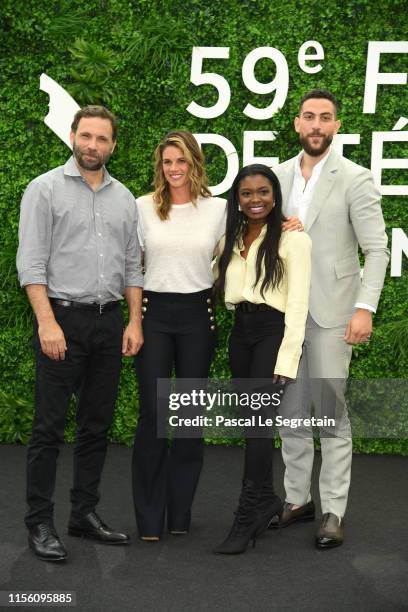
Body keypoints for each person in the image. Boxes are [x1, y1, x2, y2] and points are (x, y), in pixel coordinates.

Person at [16, 105, 144, 562]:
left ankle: (83, 515)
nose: (93, 145)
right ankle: (40, 523)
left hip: (110, 324)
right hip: (62, 321)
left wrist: (134, 321)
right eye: (85, 136)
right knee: (48, 428)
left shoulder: (125, 198)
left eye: (102, 139)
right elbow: (30, 262)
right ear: (72, 136)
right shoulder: (44, 189)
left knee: (95, 426)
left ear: (113, 145)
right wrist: (47, 321)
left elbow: (132, 265)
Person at [271, 88, 389, 549]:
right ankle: (297, 500)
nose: (316, 125)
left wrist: (364, 308)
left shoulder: (355, 178)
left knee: (331, 415)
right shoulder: (277, 176)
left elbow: (376, 249)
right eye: (308, 117)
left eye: (325, 118)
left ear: (336, 126)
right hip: (285, 317)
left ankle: (334, 510)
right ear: (297, 124)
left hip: (332, 314)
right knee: (290, 414)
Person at [212, 164, 312, 554]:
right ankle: (269, 497)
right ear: (237, 199)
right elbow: (216, 277)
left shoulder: (292, 239)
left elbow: (299, 304)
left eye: (264, 192)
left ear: (275, 195)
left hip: (273, 333)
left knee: (257, 426)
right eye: (247, 193)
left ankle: (248, 512)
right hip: (241, 333)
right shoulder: (232, 236)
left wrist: (286, 360)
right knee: (251, 423)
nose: (256, 200)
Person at [132, 130, 226, 541]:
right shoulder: (141, 208)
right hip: (153, 315)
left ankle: (179, 514)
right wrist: (133, 320)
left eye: (181, 161)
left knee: (188, 418)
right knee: (153, 417)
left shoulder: (218, 209)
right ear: (160, 165)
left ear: (195, 164)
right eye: (167, 161)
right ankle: (150, 518)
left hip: (197, 315)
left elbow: (245, 247)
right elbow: (131, 268)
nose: (174, 169)